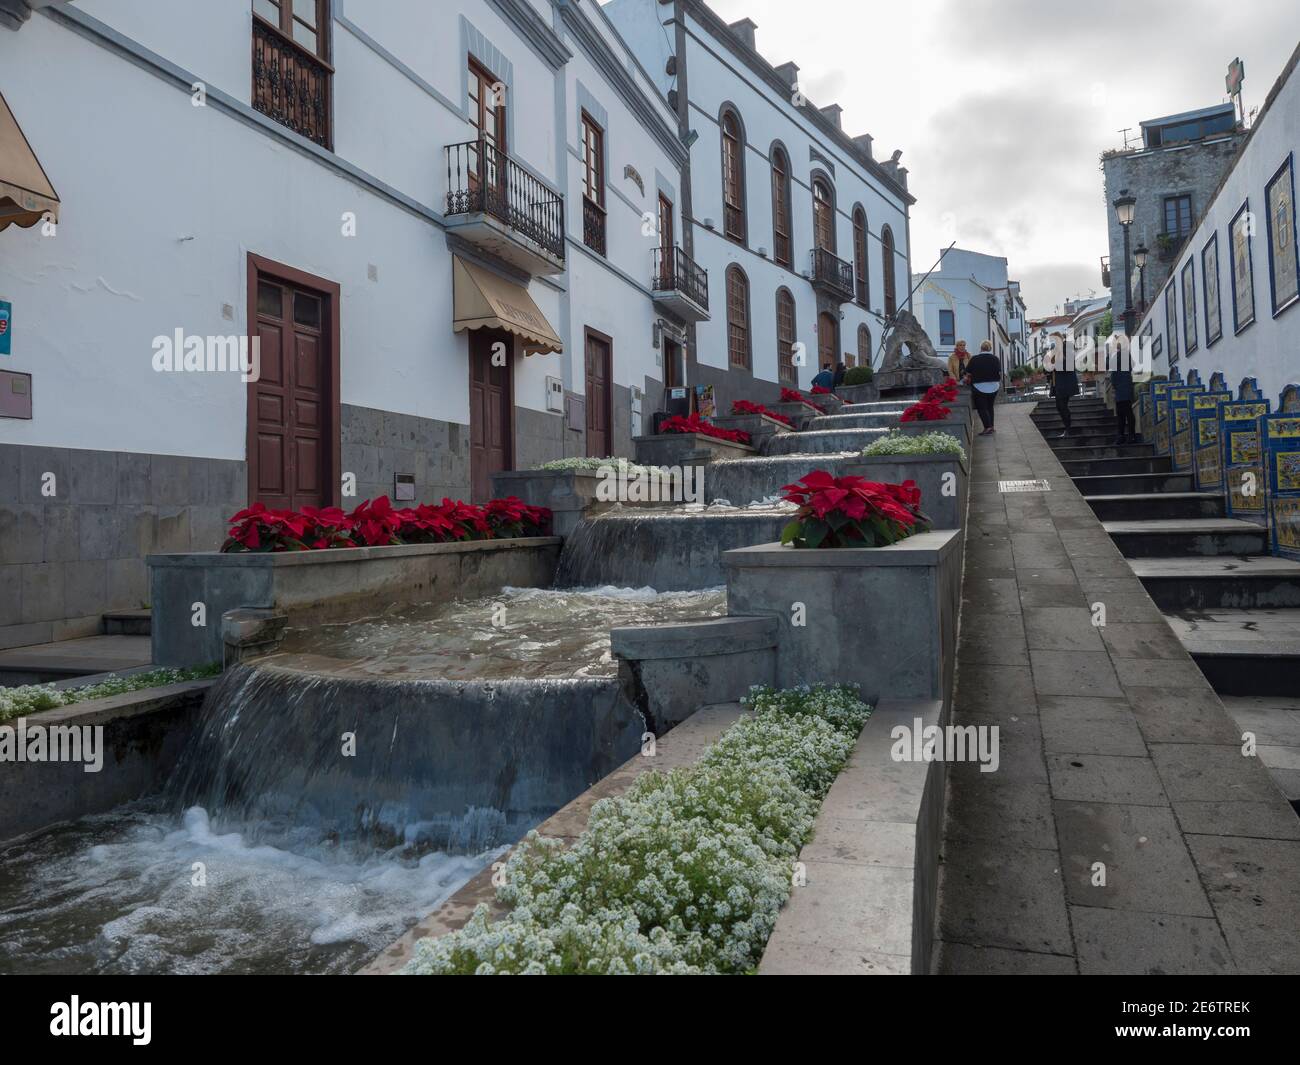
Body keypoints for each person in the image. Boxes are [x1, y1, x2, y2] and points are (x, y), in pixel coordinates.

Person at [963, 339, 1002, 436]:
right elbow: (999, 372)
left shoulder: (975, 359)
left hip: (980, 386)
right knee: (990, 407)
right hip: (994, 386)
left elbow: (968, 373)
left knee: (982, 408)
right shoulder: (995, 358)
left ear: (981, 348)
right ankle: (991, 426)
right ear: (990, 348)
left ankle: (987, 427)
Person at [1111, 365, 1136, 444]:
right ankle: (1131, 435)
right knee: (1129, 414)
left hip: (1120, 391)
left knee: (1121, 415)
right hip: (1127, 390)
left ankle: (1122, 436)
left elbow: (1113, 378)